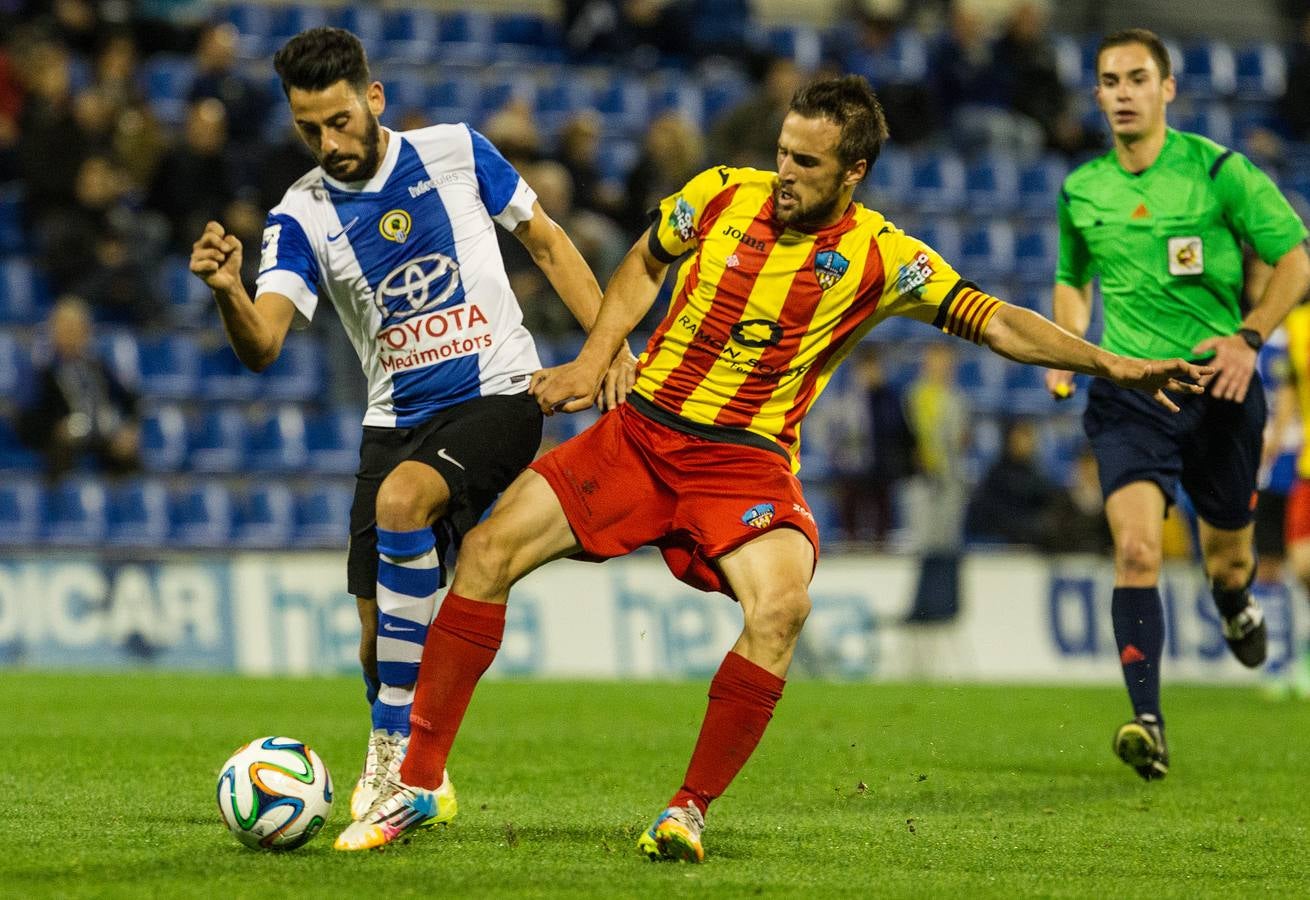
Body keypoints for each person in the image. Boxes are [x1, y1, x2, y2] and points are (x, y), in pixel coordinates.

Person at [335, 75, 1213, 859]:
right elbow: (644, 261)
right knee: (486, 554)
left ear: (852, 171)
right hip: (641, 435)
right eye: (783, 152)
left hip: (745, 466)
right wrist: (601, 352)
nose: (783, 172)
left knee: (784, 607)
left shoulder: (883, 257)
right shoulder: (720, 193)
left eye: (806, 162)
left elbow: (998, 319)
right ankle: (417, 783)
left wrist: (1111, 361)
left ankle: (687, 810)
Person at [188, 26, 626, 828]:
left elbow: (548, 242)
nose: (329, 142)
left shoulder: (457, 150)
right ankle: (428, 763)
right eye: (309, 129)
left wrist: (606, 349)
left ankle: (391, 764)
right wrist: (228, 290)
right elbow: (264, 344)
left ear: (374, 98)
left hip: (498, 395)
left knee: (401, 503)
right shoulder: (301, 215)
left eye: (340, 121)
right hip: (394, 418)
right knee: (374, 639)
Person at [1044, 29, 1310, 782]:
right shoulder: (1081, 191)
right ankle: (1148, 723)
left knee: (1227, 560)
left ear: (1167, 90)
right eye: (1109, 80)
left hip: (1222, 391)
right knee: (1135, 549)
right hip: (1131, 394)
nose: (1123, 92)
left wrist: (1250, 337)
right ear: (1096, 95)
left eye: (1137, 79)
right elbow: (1073, 278)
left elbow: (1296, 260)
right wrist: (1068, 347)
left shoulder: (1222, 173)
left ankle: (1234, 600)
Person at [18, 295, 140, 479]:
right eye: (65, 328)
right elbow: (27, 417)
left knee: (127, 456)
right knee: (60, 451)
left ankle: (126, 504)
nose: (71, 334)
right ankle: (65, 504)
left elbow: (130, 400)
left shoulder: (98, 367)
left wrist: (129, 429)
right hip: (62, 440)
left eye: (76, 328)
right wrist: (56, 429)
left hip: (102, 435)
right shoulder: (42, 371)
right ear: (53, 331)